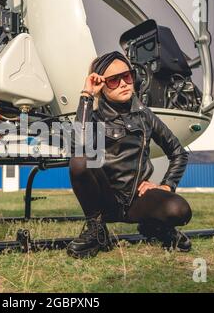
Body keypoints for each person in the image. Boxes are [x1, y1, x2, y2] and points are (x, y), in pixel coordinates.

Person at [67, 51, 192, 259]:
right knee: (80, 160)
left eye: (127, 76)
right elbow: (78, 148)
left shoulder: (145, 115)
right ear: (102, 87)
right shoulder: (94, 118)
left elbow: (178, 153)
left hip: (137, 200)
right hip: (105, 200)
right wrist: (87, 95)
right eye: (114, 80)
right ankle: (96, 229)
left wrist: (166, 185)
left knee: (180, 210)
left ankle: (155, 227)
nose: (124, 83)